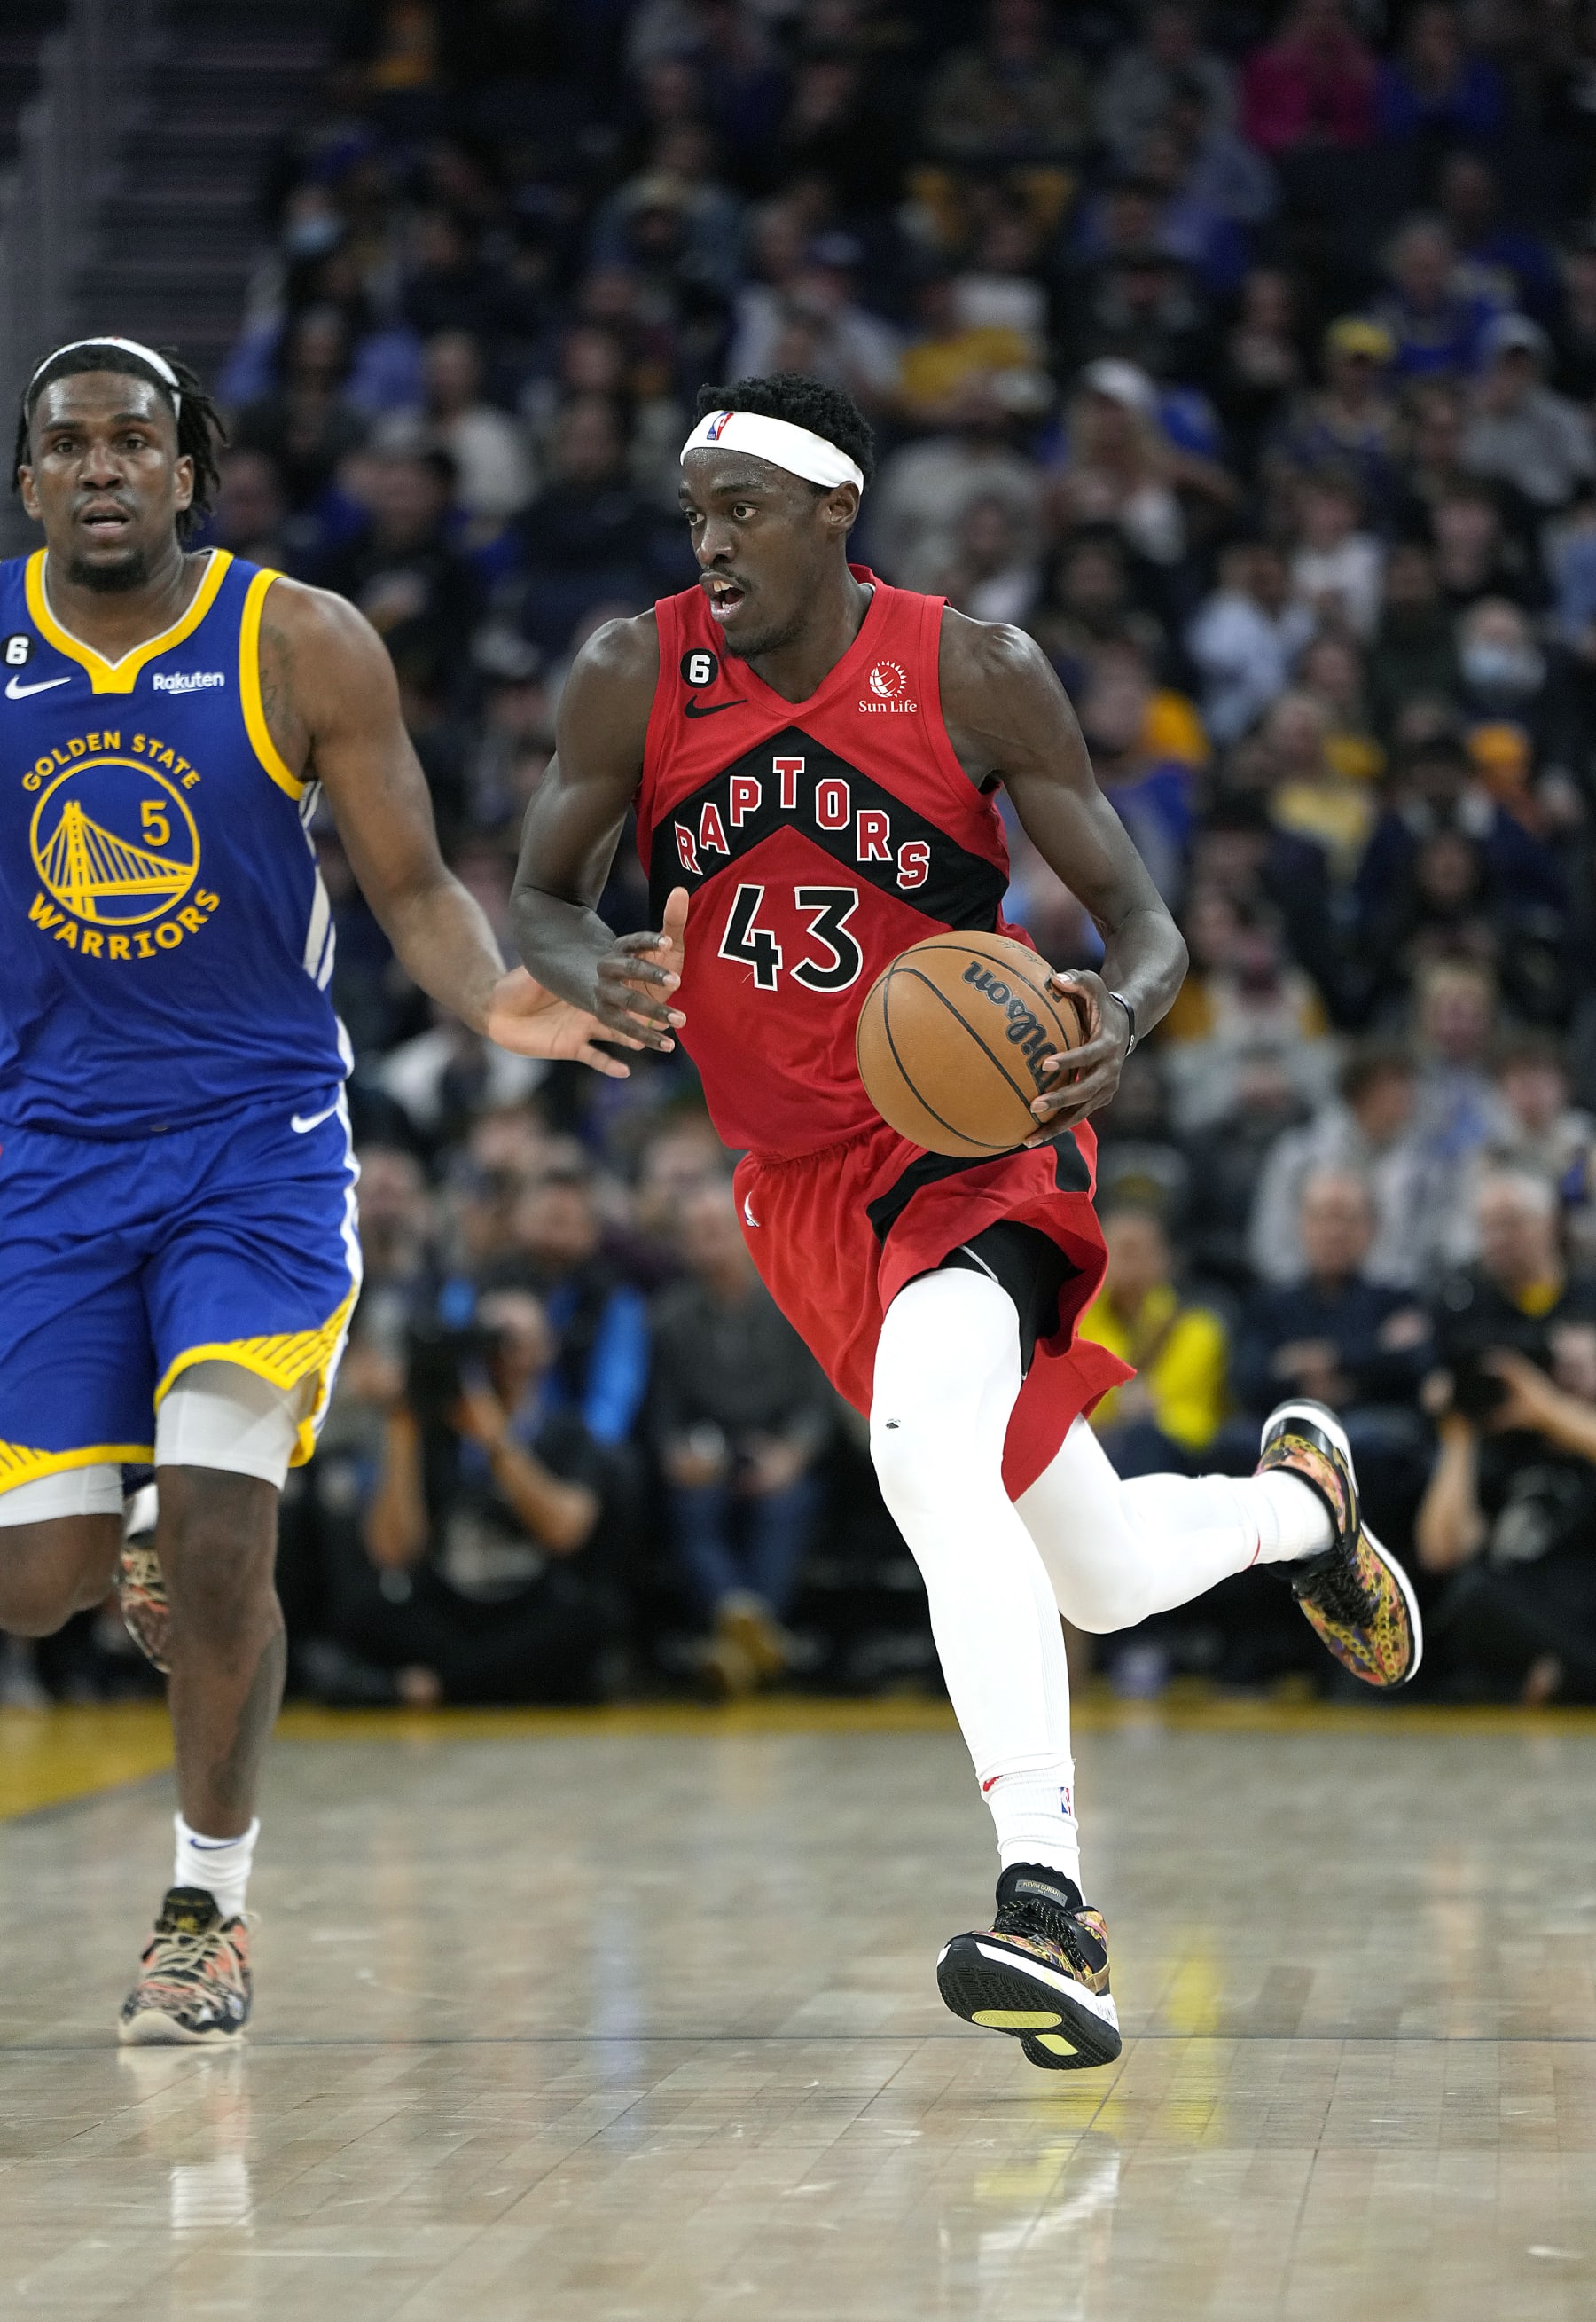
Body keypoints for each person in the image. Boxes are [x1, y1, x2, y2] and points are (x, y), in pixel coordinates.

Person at [508, 369, 1420, 2078]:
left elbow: (1147, 931)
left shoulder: (973, 669)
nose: (708, 541)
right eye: (693, 510)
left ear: (836, 511)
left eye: (744, 510)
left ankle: (1048, 1904)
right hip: (795, 1194)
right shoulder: (634, 672)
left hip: (973, 1141)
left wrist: (1116, 1024)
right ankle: (1303, 1512)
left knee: (928, 1456)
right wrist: (596, 968)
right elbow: (542, 897)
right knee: (1111, 1568)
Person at [0, 336, 632, 2043]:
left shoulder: (298, 638)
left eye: (140, 439)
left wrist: (492, 990)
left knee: (222, 1519)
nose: (110, 466)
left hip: (250, 1144)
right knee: (34, 1583)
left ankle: (206, 1904)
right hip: (42, 1157)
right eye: (74, 446)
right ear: (34, 482)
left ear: (189, 471)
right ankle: (112, 1527)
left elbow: (412, 879)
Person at [650, 1180, 833, 1694]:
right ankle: (751, 1627)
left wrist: (793, 1453)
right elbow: (663, 1409)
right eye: (697, 1234)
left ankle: (734, 1641)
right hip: (708, 1450)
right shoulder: (670, 1318)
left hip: (776, 1447)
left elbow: (817, 1398)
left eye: (719, 1231)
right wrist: (677, 1451)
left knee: (788, 1503)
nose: (710, 1245)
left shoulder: (791, 1298)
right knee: (692, 1505)